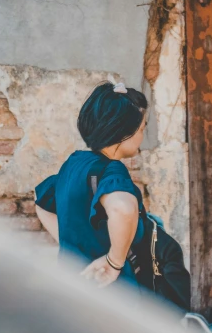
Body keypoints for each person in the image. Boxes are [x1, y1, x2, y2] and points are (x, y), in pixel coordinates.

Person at [34, 82, 147, 289]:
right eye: (141, 129)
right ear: (123, 133)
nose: (142, 136)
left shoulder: (74, 163)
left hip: (74, 285)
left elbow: (42, 202)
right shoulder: (112, 170)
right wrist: (114, 262)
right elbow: (123, 208)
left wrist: (72, 248)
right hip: (112, 290)